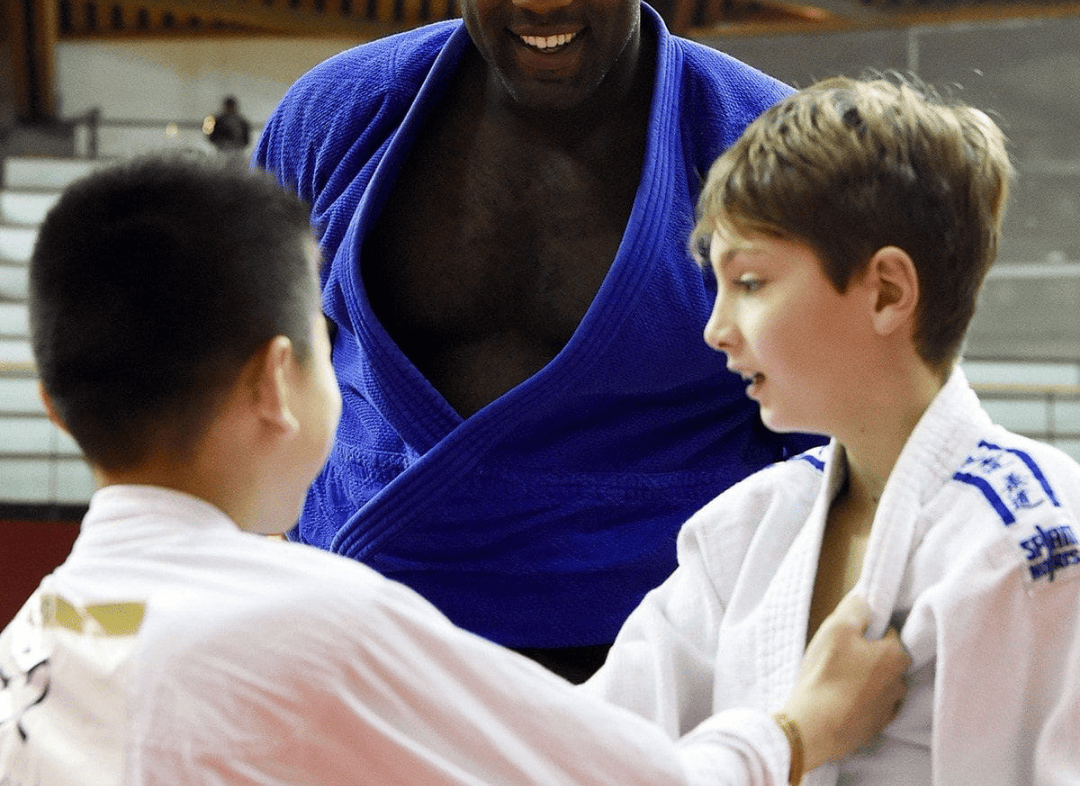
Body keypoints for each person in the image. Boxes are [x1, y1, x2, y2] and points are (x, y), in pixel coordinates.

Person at [0, 151, 910, 786]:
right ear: (279, 379)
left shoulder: (36, 637)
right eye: (329, 346)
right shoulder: (312, 621)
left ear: (56, 404)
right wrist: (800, 731)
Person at [255, 0, 817, 679]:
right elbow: (252, 374)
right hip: (370, 629)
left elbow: (831, 438)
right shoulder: (332, 118)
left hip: (664, 653)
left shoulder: (763, 145)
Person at [583, 76, 1080, 783]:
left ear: (886, 292)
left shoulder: (1027, 544)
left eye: (750, 283)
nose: (716, 330)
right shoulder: (745, 530)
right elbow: (585, 754)